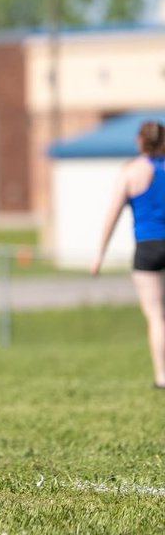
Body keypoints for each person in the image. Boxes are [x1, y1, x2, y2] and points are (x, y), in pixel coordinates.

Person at [91, 119, 165, 387]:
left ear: (140, 141)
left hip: (147, 247)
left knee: (156, 315)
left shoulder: (130, 172)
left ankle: (161, 376)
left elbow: (112, 214)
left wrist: (99, 254)